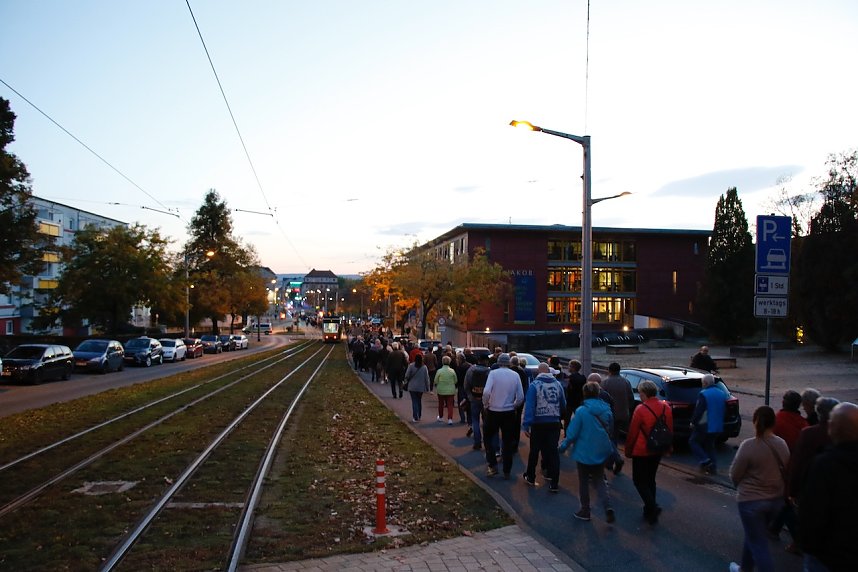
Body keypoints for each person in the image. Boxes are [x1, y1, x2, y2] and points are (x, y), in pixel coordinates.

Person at [728, 406, 790, 572]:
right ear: (773, 423)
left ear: (755, 422)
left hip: (751, 501)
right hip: (775, 501)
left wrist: (739, 487)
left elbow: (735, 474)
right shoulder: (782, 444)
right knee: (755, 535)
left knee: (758, 543)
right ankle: (744, 568)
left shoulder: (749, 445)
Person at [799, 402, 858, 572]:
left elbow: (812, 511)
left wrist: (809, 546)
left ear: (834, 428)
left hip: (828, 556)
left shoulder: (824, 464)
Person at [559, 381, 616, 523]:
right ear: (598, 393)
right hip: (601, 449)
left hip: (584, 452)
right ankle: (607, 506)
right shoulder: (606, 409)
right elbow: (611, 430)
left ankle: (585, 510)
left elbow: (572, 433)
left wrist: (562, 447)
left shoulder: (581, 411)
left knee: (583, 481)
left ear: (584, 394)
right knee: (599, 480)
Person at [625, 379, 673, 524]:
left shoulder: (641, 409)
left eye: (640, 392)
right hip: (658, 448)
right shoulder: (666, 407)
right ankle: (649, 507)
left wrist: (628, 450)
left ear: (644, 393)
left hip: (642, 449)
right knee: (650, 479)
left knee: (639, 480)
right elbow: (669, 429)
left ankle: (652, 506)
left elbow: (633, 432)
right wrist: (668, 447)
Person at [522, 362, 566, 491]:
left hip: (538, 423)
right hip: (554, 422)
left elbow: (530, 406)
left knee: (534, 451)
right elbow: (563, 403)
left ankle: (530, 476)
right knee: (553, 452)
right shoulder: (558, 385)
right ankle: (554, 481)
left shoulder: (534, 385)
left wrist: (526, 424)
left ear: (538, 372)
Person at [481, 353, 524, 478]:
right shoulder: (515, 375)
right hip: (509, 412)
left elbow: (487, 391)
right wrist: (514, 405)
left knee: (488, 438)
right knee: (507, 441)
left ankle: (492, 465)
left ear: (499, 362)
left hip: (493, 410)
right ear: (509, 363)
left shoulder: (493, 374)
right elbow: (520, 396)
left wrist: (486, 404)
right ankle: (507, 470)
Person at [689, 373, 728, 475]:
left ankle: (705, 461)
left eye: (702, 383)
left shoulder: (704, 394)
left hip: (705, 424)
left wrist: (693, 422)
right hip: (718, 425)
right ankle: (712, 467)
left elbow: (699, 410)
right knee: (710, 445)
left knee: (693, 442)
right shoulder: (721, 393)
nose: (702, 385)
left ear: (705, 383)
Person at [600, 362, 633, 474]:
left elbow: (601, 399)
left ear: (609, 370)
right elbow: (631, 398)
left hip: (610, 415)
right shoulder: (626, 382)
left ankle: (616, 459)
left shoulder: (605, 383)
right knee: (615, 437)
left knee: (609, 439)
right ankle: (609, 463)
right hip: (623, 414)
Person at [464, 353, 491, 450]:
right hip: (485, 400)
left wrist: (470, 396)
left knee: (475, 421)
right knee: (486, 421)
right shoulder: (489, 371)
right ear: (486, 361)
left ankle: (477, 442)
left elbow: (466, 385)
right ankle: (487, 443)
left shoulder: (471, 370)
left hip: (474, 399)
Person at [404, 353, 430, 423]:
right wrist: (428, 388)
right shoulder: (424, 367)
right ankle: (419, 415)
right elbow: (426, 378)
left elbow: (407, 375)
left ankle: (415, 416)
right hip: (421, 387)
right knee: (419, 401)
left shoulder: (411, 366)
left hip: (412, 387)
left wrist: (406, 380)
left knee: (414, 401)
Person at [564, 359, 586, 434]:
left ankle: (567, 435)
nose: (568, 367)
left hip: (570, 402)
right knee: (579, 419)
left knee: (567, 420)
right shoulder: (583, 378)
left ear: (573, 368)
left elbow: (567, 390)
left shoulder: (569, 378)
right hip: (579, 402)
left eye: (569, 366)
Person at [434, 355, 458, 424]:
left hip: (441, 389)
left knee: (441, 404)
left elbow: (435, 380)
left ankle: (441, 417)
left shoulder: (439, 371)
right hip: (450, 390)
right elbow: (455, 380)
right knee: (450, 405)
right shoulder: (452, 371)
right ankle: (450, 419)